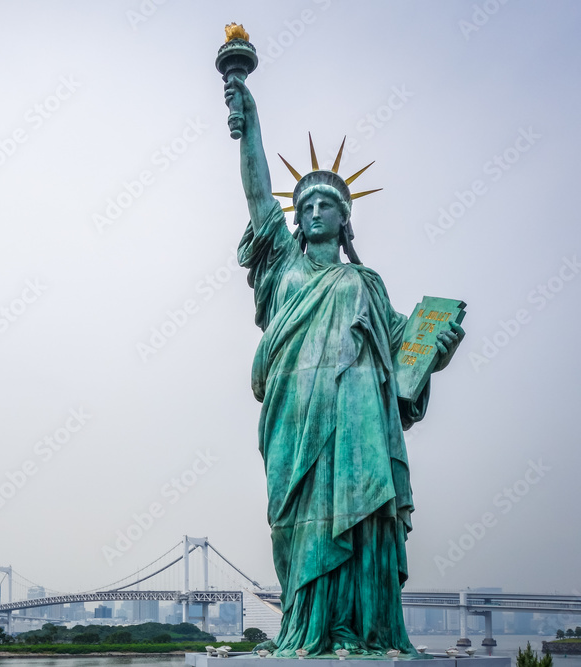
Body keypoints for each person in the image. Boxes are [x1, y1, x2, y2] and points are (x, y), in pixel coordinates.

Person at [224, 77, 464, 657]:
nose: (310, 212)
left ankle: (361, 631)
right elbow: (259, 199)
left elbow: (407, 350)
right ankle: (305, 629)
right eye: (302, 206)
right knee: (294, 524)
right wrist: (249, 120)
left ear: (344, 216)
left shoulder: (365, 283)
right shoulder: (282, 267)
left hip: (356, 421)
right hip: (294, 416)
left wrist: (441, 345)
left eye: (323, 204)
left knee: (362, 518)